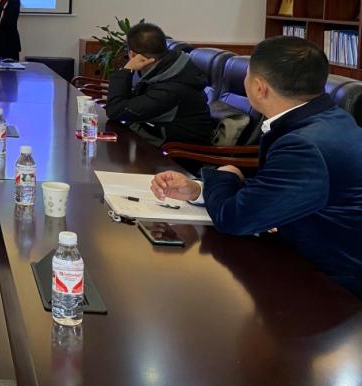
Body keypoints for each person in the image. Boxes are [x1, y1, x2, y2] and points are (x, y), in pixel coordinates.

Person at [151, 36, 362, 299]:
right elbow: (281, 189)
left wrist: (226, 175)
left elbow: (234, 219)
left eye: (247, 75)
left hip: (333, 290)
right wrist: (199, 190)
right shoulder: (331, 119)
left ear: (259, 87)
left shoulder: (304, 145)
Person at [103, 22, 214, 145]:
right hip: (155, 136)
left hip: (179, 151)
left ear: (133, 54)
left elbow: (115, 110)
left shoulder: (171, 88)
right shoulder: (166, 66)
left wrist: (126, 70)